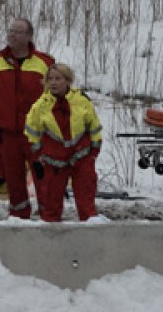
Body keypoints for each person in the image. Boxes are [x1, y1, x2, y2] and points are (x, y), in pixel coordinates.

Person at [0, 18, 54, 219]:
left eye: (17, 31)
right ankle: (18, 218)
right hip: (8, 134)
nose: (11, 35)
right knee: (13, 180)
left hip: (37, 135)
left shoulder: (45, 63)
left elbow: (57, 96)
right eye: (10, 31)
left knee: (45, 177)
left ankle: (49, 217)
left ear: (28, 36)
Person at [24, 63, 103, 222]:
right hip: (54, 162)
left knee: (86, 203)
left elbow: (94, 127)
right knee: (50, 205)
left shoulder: (81, 101)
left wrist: (93, 153)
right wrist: (39, 154)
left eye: (58, 79)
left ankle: (91, 236)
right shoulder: (40, 106)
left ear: (67, 81)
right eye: (50, 79)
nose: (53, 82)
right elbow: (32, 133)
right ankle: (51, 240)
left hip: (82, 157)